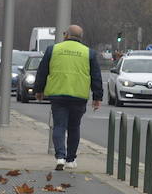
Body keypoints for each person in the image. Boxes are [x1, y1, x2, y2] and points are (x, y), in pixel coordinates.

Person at [32, 25, 102, 170]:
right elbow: (96, 77)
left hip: (58, 95)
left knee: (59, 126)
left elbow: (42, 71)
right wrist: (97, 97)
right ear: (80, 37)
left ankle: (60, 157)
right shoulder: (89, 53)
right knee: (74, 127)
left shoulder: (53, 49)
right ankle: (70, 159)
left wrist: (38, 90)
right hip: (79, 96)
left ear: (66, 35)